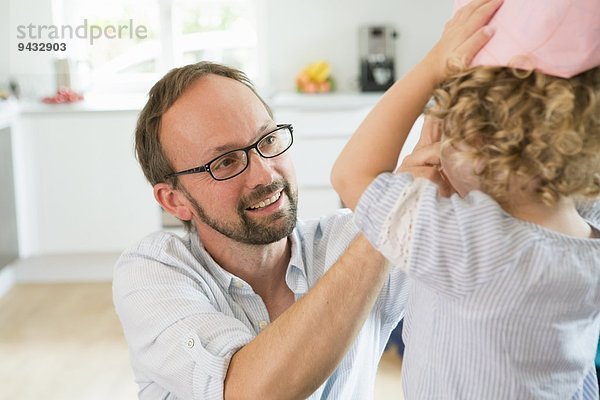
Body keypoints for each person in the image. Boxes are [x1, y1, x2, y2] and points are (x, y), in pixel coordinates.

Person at [331, 0, 600, 398]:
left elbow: (351, 174)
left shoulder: (477, 246)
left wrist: (433, 64)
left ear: (479, 137)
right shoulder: (588, 235)